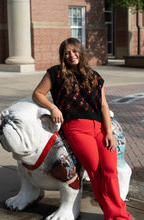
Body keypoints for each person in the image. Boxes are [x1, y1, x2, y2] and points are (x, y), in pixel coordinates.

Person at [32, 38, 132, 220]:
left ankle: (116, 215)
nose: (71, 55)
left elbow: (103, 105)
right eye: (67, 53)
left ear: (81, 52)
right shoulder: (56, 73)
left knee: (110, 171)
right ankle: (120, 216)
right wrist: (53, 108)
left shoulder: (94, 75)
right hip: (77, 129)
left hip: (100, 128)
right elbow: (37, 93)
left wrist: (109, 132)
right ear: (63, 56)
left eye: (74, 51)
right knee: (96, 172)